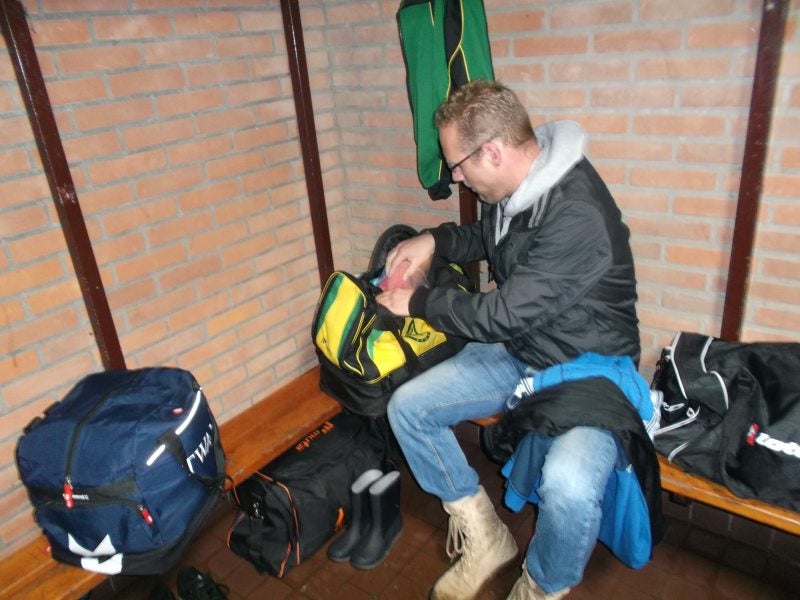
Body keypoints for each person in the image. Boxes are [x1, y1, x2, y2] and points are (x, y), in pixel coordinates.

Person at [376, 79, 641, 600]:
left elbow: (503, 314)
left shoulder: (576, 214)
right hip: (525, 351)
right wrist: (434, 239)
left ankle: (542, 585)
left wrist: (419, 302)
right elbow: (488, 238)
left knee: (568, 483)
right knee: (408, 408)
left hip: (587, 371)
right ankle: (486, 538)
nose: (455, 176)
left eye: (457, 165)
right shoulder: (513, 187)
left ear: (492, 152)